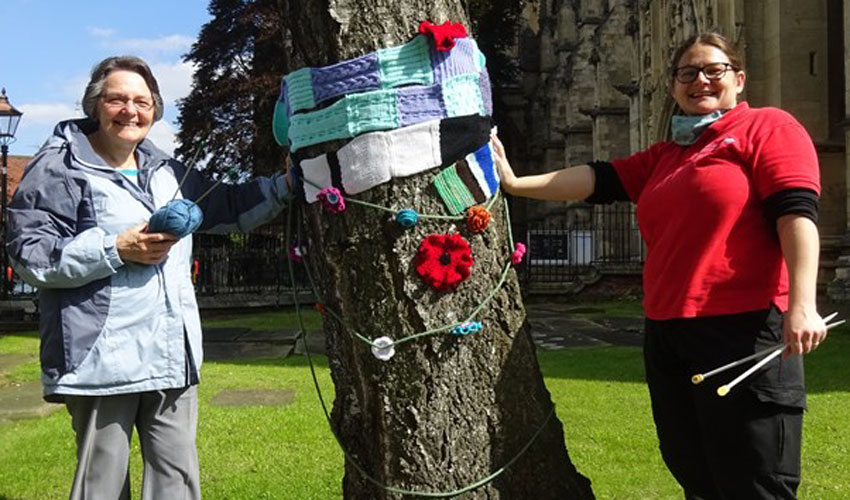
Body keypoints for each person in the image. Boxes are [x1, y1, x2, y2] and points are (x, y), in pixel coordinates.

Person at [492, 32, 827, 499]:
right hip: (669, 331)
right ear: (672, 87)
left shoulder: (767, 127)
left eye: (714, 70)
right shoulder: (668, 156)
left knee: (756, 481)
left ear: (740, 79)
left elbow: (797, 214)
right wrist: (514, 183)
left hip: (743, 326)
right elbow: (598, 178)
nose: (700, 81)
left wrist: (804, 305)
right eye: (686, 73)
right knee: (696, 474)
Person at [5, 56, 290, 500]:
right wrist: (114, 249)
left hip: (171, 355)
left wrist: (286, 184)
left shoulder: (167, 171)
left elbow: (229, 207)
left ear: (154, 110)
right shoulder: (60, 168)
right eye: (117, 99)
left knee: (177, 483)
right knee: (101, 486)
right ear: (95, 105)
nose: (130, 110)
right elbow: (30, 256)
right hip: (101, 361)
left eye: (142, 101)